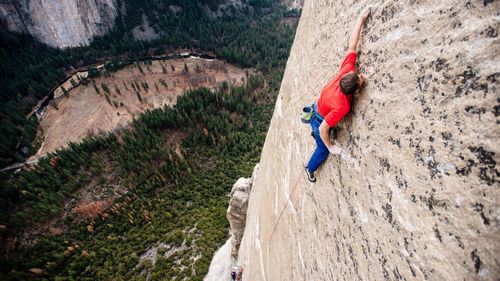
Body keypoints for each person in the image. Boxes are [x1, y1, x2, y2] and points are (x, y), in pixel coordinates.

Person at [305, 6, 371, 183]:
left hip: (318, 107)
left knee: (326, 128)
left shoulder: (347, 71)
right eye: (360, 79)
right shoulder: (343, 106)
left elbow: (353, 45)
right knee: (322, 150)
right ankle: (309, 169)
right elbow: (322, 128)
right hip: (319, 120)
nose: (361, 75)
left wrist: (361, 20)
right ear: (355, 92)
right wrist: (331, 146)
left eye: (358, 76)